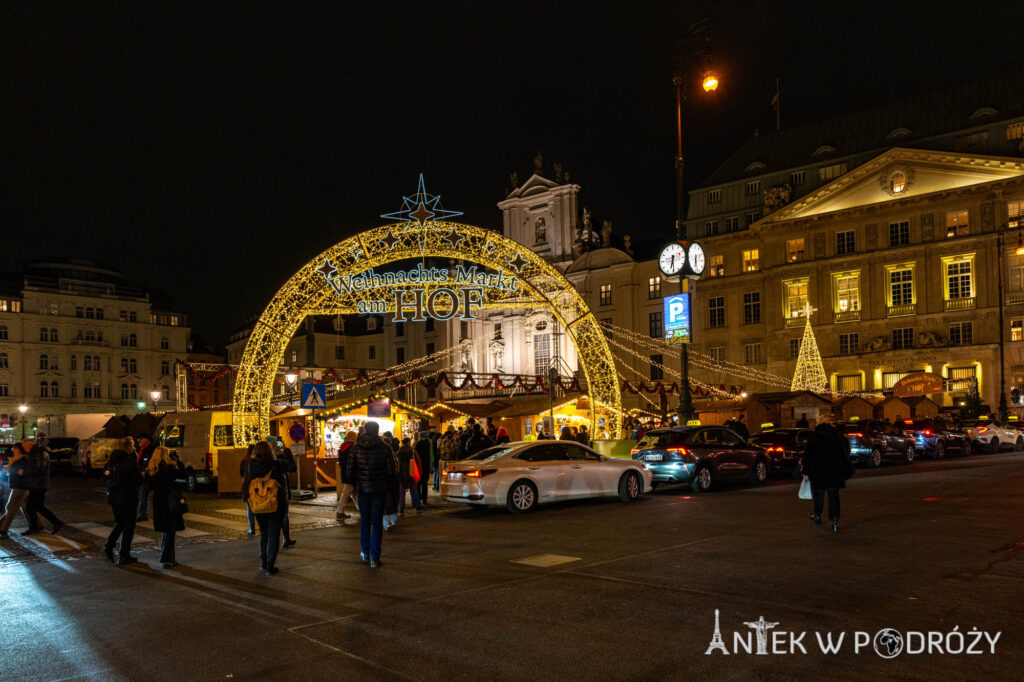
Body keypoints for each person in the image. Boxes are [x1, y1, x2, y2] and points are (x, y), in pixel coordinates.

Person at [346, 421, 397, 567]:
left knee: (365, 521)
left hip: (363, 489)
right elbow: (392, 471)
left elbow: (349, 470)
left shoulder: (355, 448)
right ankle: (375, 557)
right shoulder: (385, 448)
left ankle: (364, 551)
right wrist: (387, 485)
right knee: (376, 523)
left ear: (365, 431)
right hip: (379, 490)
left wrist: (356, 483)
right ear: (377, 430)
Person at [243, 441, 288, 574]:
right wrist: (285, 450)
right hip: (275, 504)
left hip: (258, 505)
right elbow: (291, 465)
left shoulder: (251, 466)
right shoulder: (276, 465)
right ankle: (270, 565)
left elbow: (246, 482)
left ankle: (263, 562)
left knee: (264, 533)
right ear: (270, 452)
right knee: (274, 535)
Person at [801, 422, 854, 533]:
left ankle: (817, 515)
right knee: (834, 497)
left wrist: (805, 470)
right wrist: (845, 471)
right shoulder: (836, 439)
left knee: (818, 495)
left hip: (818, 472)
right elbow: (843, 455)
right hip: (834, 473)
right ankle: (834, 520)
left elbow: (807, 455)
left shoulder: (814, 439)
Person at [104, 437, 142, 565]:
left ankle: (109, 546)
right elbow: (139, 480)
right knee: (129, 527)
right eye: (132, 445)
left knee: (120, 523)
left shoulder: (111, 461)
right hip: (128, 498)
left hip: (115, 498)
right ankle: (124, 554)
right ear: (129, 447)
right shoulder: (130, 463)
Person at [146, 446, 186, 567]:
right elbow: (183, 475)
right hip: (169, 500)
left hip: (158, 501)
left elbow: (149, 487)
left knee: (166, 530)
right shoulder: (168, 468)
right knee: (170, 531)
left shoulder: (151, 470)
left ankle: (168, 557)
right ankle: (167, 558)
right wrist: (179, 461)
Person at [23, 437, 63, 535]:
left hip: (38, 484)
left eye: (25, 447)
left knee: (32, 506)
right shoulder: (38, 452)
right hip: (38, 483)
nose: (25, 449)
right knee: (35, 506)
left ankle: (38, 526)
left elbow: (39, 469)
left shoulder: (36, 453)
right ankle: (53, 523)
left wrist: (24, 472)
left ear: (30, 445)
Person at [0, 441, 31, 538]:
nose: (12, 450)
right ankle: (36, 525)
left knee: (10, 507)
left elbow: (21, 471)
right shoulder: (15, 459)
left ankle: (3, 529)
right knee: (25, 507)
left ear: (18, 449)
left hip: (20, 486)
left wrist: (10, 468)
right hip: (17, 485)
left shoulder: (22, 459)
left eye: (14, 448)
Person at [275, 442, 297, 548]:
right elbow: (292, 466)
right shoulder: (279, 463)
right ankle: (285, 538)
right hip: (280, 496)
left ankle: (277, 541)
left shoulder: (260, 462)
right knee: (283, 516)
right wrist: (286, 450)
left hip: (266, 497)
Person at [336, 431, 359, 524]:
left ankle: (361, 509)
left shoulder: (342, 447)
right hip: (352, 473)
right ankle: (339, 511)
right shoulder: (353, 447)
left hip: (345, 473)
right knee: (347, 492)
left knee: (353, 492)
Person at [396, 437, 421, 514]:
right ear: (408, 443)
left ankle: (401, 508)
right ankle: (417, 506)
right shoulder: (413, 452)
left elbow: (397, 465)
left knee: (401, 493)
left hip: (402, 475)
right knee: (414, 491)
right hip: (412, 474)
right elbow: (418, 462)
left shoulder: (398, 453)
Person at [136, 437, 156, 522]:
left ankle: (143, 514)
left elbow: (146, 460)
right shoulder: (142, 449)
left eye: (140, 439)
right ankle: (143, 513)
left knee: (144, 495)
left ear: (145, 440)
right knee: (143, 495)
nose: (139, 441)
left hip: (146, 475)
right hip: (144, 475)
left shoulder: (149, 449)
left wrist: (142, 470)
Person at [240, 444, 257, 535]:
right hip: (257, 487)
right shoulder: (257, 461)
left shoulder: (244, 461)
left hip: (247, 486)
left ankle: (252, 528)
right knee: (259, 506)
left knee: (249, 508)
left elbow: (241, 474)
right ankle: (261, 526)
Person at [414, 431, 433, 506]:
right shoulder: (429, 443)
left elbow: (415, 454)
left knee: (418, 482)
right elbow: (431, 454)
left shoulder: (418, 443)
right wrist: (432, 462)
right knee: (425, 482)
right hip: (426, 465)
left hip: (419, 465)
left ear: (421, 436)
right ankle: (424, 499)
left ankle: (418, 498)